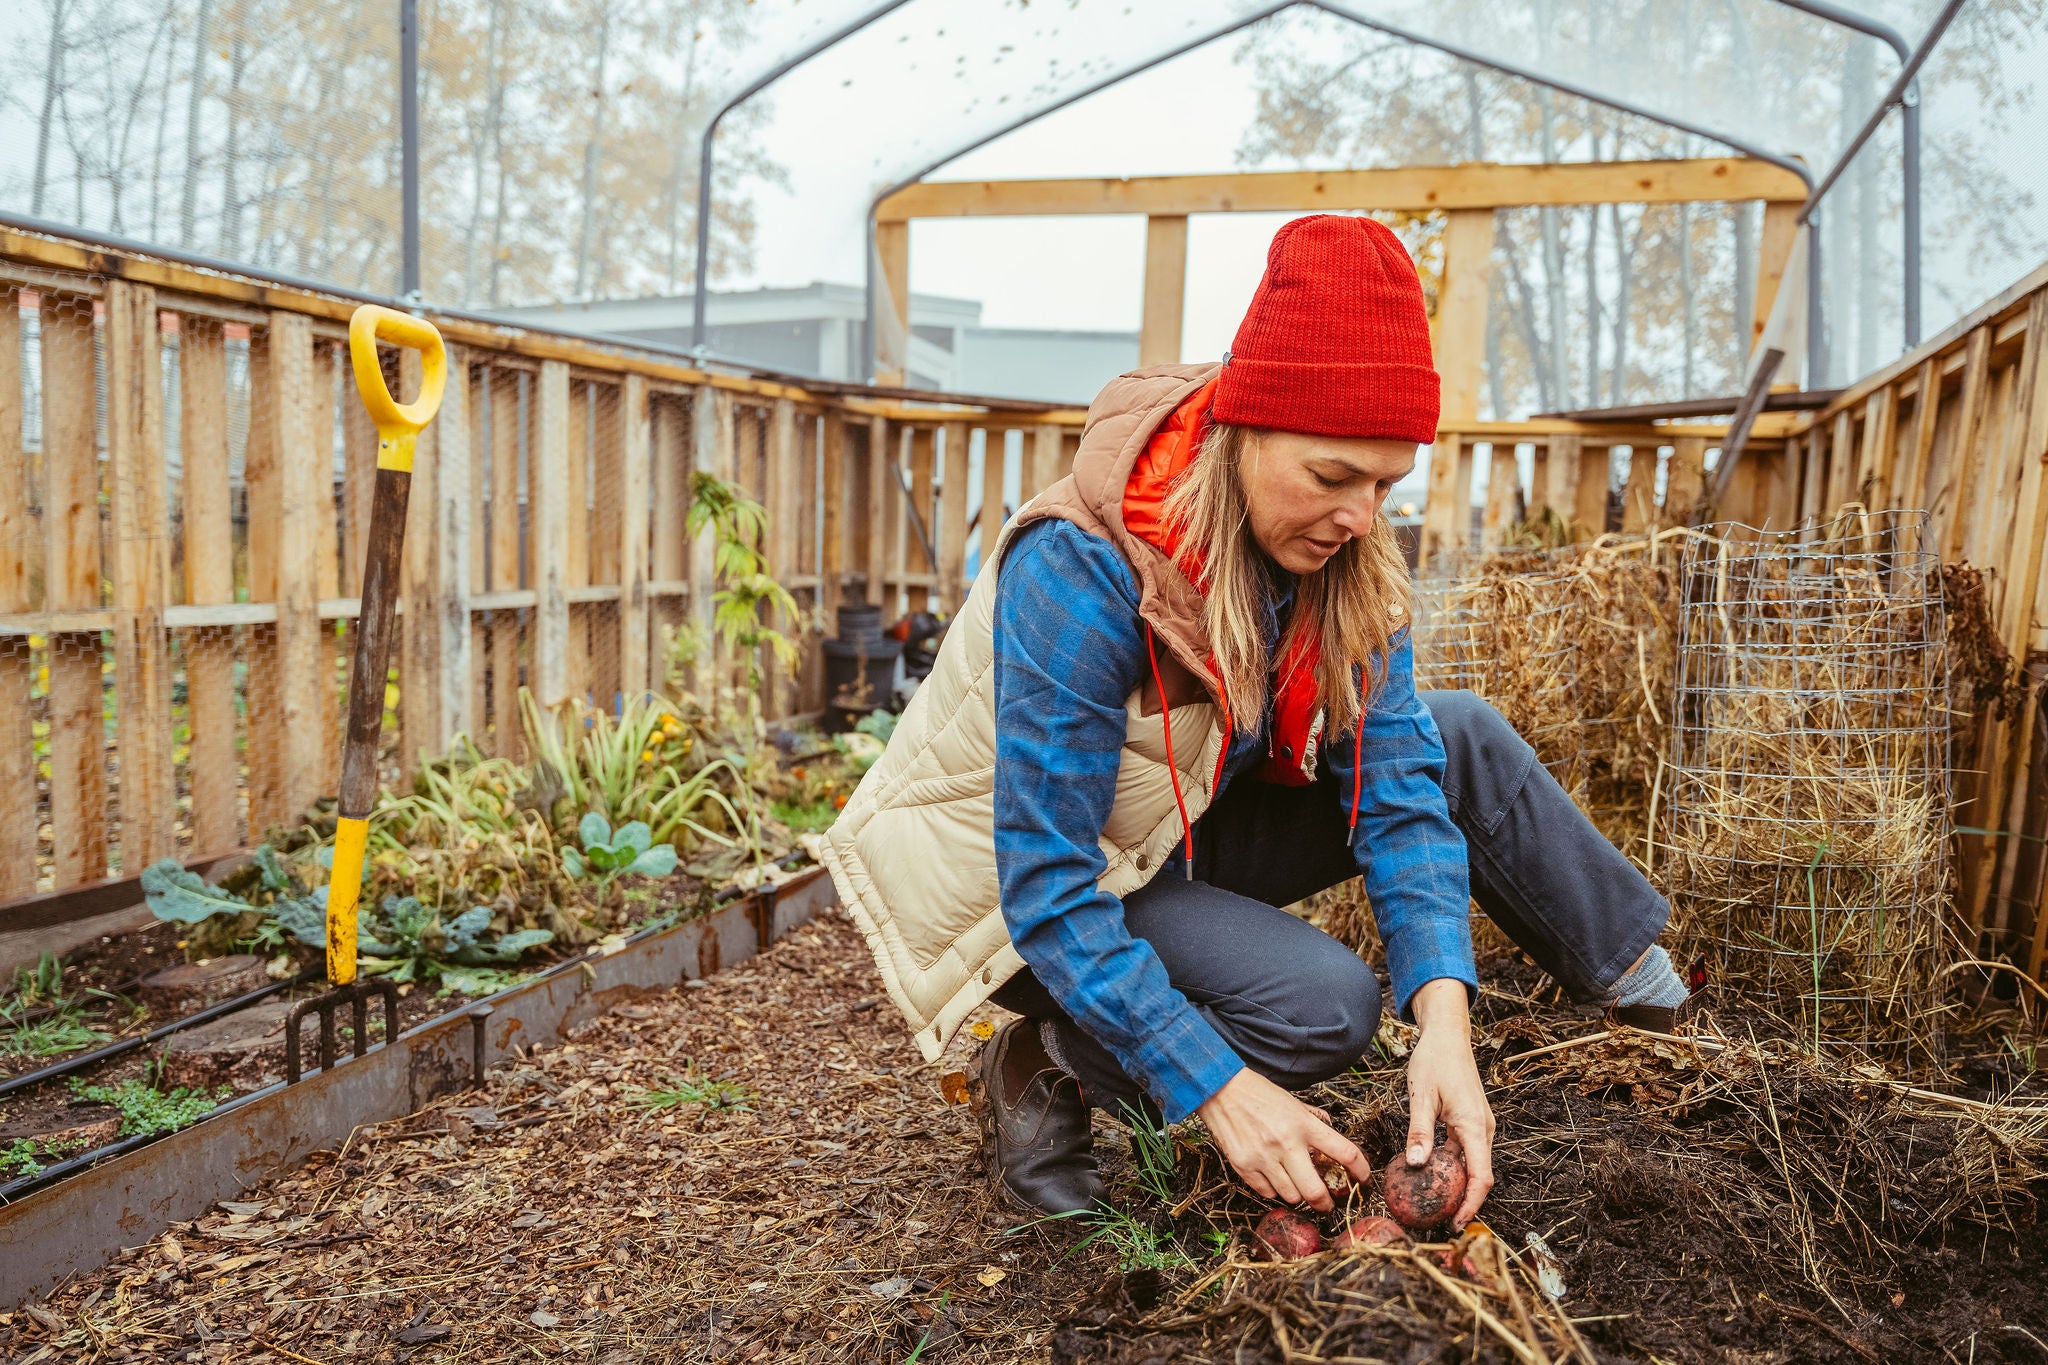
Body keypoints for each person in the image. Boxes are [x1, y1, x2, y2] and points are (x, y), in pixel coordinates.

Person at [820, 214, 1696, 1223]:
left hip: (1168, 830)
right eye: (1331, 478)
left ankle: (1663, 1015)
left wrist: (1444, 1023)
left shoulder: (1343, 559)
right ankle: (1049, 1058)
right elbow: (1048, 885)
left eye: (1385, 484)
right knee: (1321, 1009)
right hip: (1017, 890)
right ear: (1242, 430)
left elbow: (1399, 797)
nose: (1362, 517)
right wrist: (1221, 1094)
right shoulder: (1082, 566)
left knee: (1461, 738)